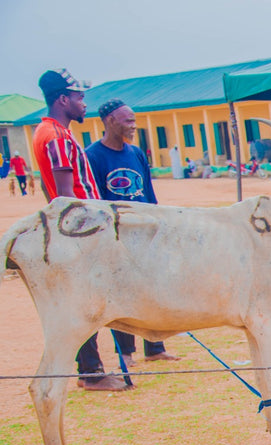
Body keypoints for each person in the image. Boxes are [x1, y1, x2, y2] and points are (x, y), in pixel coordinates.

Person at [34, 68, 129, 391]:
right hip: (82, 233)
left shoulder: (48, 133)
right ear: (62, 99)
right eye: (78, 97)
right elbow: (65, 198)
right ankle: (91, 372)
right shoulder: (57, 137)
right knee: (87, 301)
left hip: (74, 233)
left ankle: (92, 368)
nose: (84, 104)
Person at [86, 99, 179, 364]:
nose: (133, 126)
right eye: (128, 121)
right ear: (110, 121)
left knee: (152, 290)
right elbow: (97, 201)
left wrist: (160, 225)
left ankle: (155, 347)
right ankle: (125, 354)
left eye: (134, 120)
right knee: (123, 296)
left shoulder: (136, 153)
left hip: (146, 235)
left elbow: (149, 195)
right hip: (117, 238)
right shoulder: (93, 156)